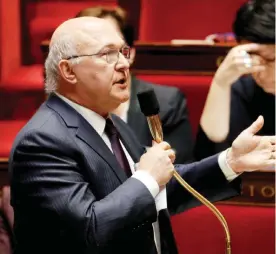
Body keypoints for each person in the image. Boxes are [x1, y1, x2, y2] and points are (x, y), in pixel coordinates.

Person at [9, 17, 275, 254]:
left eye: (123, 52)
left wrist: (231, 161)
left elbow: (156, 192)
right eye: (107, 54)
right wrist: (147, 177)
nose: (124, 63)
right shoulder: (42, 141)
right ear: (68, 71)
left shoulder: (107, 122)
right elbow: (89, 231)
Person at [75, 6, 194, 164]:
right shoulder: (66, 111)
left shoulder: (167, 104)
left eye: (113, 51)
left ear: (129, 55)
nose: (108, 59)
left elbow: (182, 173)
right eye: (97, 52)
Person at [195, 0, 275, 160]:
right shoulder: (241, 91)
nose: (259, 71)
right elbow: (210, 159)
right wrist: (221, 82)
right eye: (253, 59)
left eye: (269, 59)